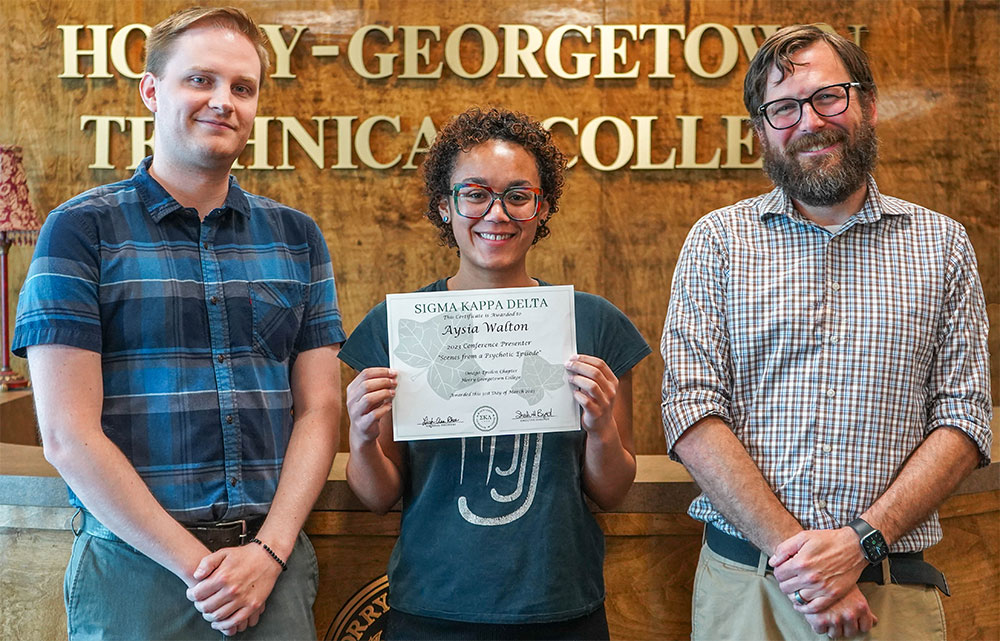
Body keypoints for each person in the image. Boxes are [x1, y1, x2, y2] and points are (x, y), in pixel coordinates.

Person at [13, 7, 344, 639]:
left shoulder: (297, 237)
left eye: (242, 88)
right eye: (201, 80)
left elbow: (320, 411)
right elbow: (66, 435)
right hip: (136, 572)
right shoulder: (81, 230)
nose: (223, 101)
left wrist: (268, 555)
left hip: (270, 567)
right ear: (151, 90)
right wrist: (206, 571)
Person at [661, 24, 991, 641]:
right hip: (747, 592)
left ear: (866, 104)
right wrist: (811, 566)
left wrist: (860, 544)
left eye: (826, 97)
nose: (809, 121)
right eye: (782, 108)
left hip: (891, 589)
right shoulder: (717, 243)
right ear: (761, 131)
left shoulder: (942, 246)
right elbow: (690, 411)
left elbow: (965, 417)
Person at [338, 107, 651, 640]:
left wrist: (600, 427)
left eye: (518, 195)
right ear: (445, 206)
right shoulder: (396, 327)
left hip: (559, 604)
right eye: (475, 193)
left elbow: (613, 491)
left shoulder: (592, 323)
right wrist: (364, 440)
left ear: (542, 207)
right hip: (431, 604)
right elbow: (377, 496)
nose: (496, 213)